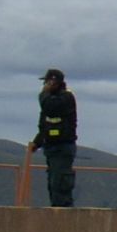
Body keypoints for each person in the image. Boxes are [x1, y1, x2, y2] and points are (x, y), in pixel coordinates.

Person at [29, 68, 78, 207]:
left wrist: (44, 94)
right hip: (51, 148)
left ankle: (64, 215)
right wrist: (37, 142)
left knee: (60, 183)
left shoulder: (66, 98)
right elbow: (44, 125)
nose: (44, 85)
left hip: (63, 148)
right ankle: (56, 210)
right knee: (53, 184)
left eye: (47, 82)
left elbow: (50, 107)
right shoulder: (49, 101)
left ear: (53, 82)